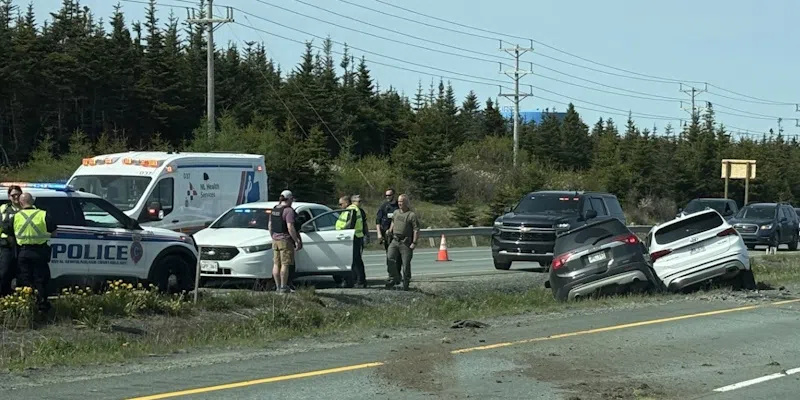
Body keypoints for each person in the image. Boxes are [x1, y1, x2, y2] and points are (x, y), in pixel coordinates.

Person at [13, 192, 57, 311]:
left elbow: (10, 233)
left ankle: (27, 306)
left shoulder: (16, 216)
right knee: (41, 279)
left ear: (21, 203)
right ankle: (42, 306)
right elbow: (54, 232)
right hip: (39, 252)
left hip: (23, 253)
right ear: (32, 201)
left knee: (25, 280)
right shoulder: (43, 214)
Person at [268, 190, 302, 293]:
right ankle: (283, 287)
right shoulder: (288, 211)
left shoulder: (274, 209)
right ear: (290, 199)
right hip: (285, 240)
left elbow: (270, 226)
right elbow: (290, 226)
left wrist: (273, 237)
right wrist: (296, 240)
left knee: (276, 264)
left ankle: (278, 287)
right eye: (292, 199)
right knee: (285, 264)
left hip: (275, 240)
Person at [386, 194, 420, 291]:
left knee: (406, 264)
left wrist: (414, 242)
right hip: (395, 240)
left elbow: (416, 229)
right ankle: (394, 278)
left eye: (402, 202)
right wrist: (390, 230)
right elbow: (393, 221)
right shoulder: (396, 212)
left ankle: (406, 282)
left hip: (405, 242)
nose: (400, 203)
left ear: (406, 203)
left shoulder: (411, 215)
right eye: (399, 202)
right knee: (390, 259)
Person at [0, 185, 22, 296]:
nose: (16, 197)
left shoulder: (28, 208)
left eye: (18, 195)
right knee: (4, 273)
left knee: (22, 274)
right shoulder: (3, 208)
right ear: (9, 197)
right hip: (6, 245)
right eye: (13, 195)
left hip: (22, 246)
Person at [350, 195, 369, 288]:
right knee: (353, 260)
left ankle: (360, 280)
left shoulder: (360, 211)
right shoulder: (351, 210)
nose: (360, 203)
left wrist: (366, 235)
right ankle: (355, 280)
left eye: (360, 201)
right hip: (351, 237)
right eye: (358, 201)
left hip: (358, 238)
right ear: (353, 201)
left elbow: (364, 224)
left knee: (357, 260)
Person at [375, 188, 399, 258]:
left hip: (396, 233)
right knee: (389, 253)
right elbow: (378, 220)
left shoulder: (398, 206)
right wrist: (379, 234)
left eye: (389, 195)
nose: (387, 197)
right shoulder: (384, 206)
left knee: (397, 254)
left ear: (393, 195)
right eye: (386, 195)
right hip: (386, 234)